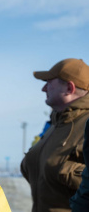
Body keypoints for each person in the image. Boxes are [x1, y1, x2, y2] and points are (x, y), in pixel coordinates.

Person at [21, 58, 89, 212]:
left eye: (49, 82)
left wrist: (63, 169)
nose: (43, 88)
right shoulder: (57, 124)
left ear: (69, 88)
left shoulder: (86, 124)